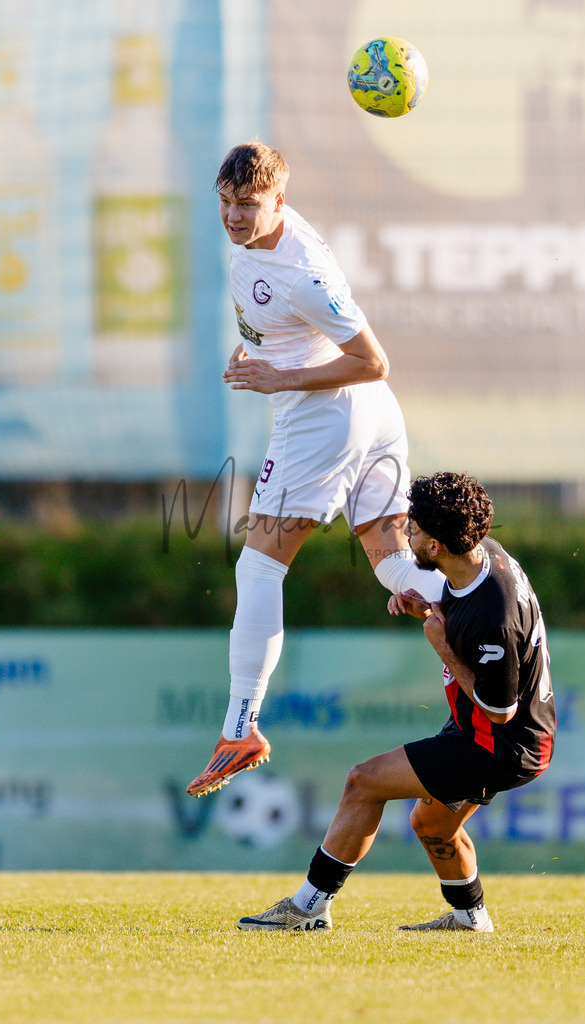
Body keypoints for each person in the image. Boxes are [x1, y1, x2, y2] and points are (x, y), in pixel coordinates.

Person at [186, 142, 446, 798]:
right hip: (366, 417)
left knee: (259, 565)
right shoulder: (258, 241)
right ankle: (496, 607)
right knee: (393, 568)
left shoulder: (305, 271)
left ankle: (239, 726)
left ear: (279, 200)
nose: (233, 217)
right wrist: (265, 353)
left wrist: (281, 375)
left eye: (247, 205)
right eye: (225, 202)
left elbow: (374, 360)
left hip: (328, 416)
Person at [236, 472, 555, 933]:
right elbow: (464, 609)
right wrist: (427, 609)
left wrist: (441, 644)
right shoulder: (487, 559)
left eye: (417, 530)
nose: (407, 533)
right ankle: (470, 919)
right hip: (499, 732)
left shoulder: (495, 615)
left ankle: (307, 908)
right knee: (431, 822)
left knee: (363, 782)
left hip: (499, 741)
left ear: (436, 547)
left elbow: (499, 708)